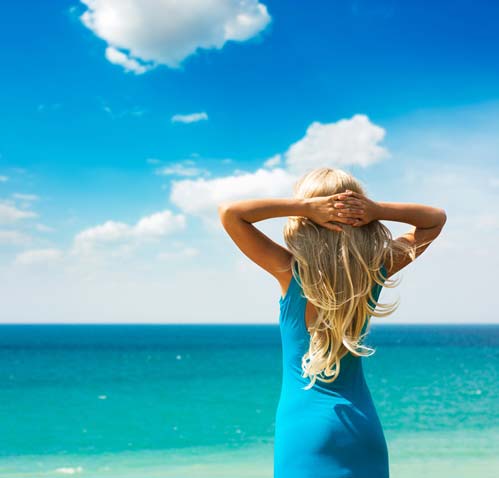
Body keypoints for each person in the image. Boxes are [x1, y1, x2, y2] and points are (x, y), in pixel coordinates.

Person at [218, 167, 447, 478]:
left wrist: (303, 207)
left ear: (303, 226)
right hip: (361, 429)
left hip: (304, 433)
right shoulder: (373, 272)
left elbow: (232, 213)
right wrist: (377, 210)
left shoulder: (290, 272)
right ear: (363, 220)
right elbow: (434, 219)